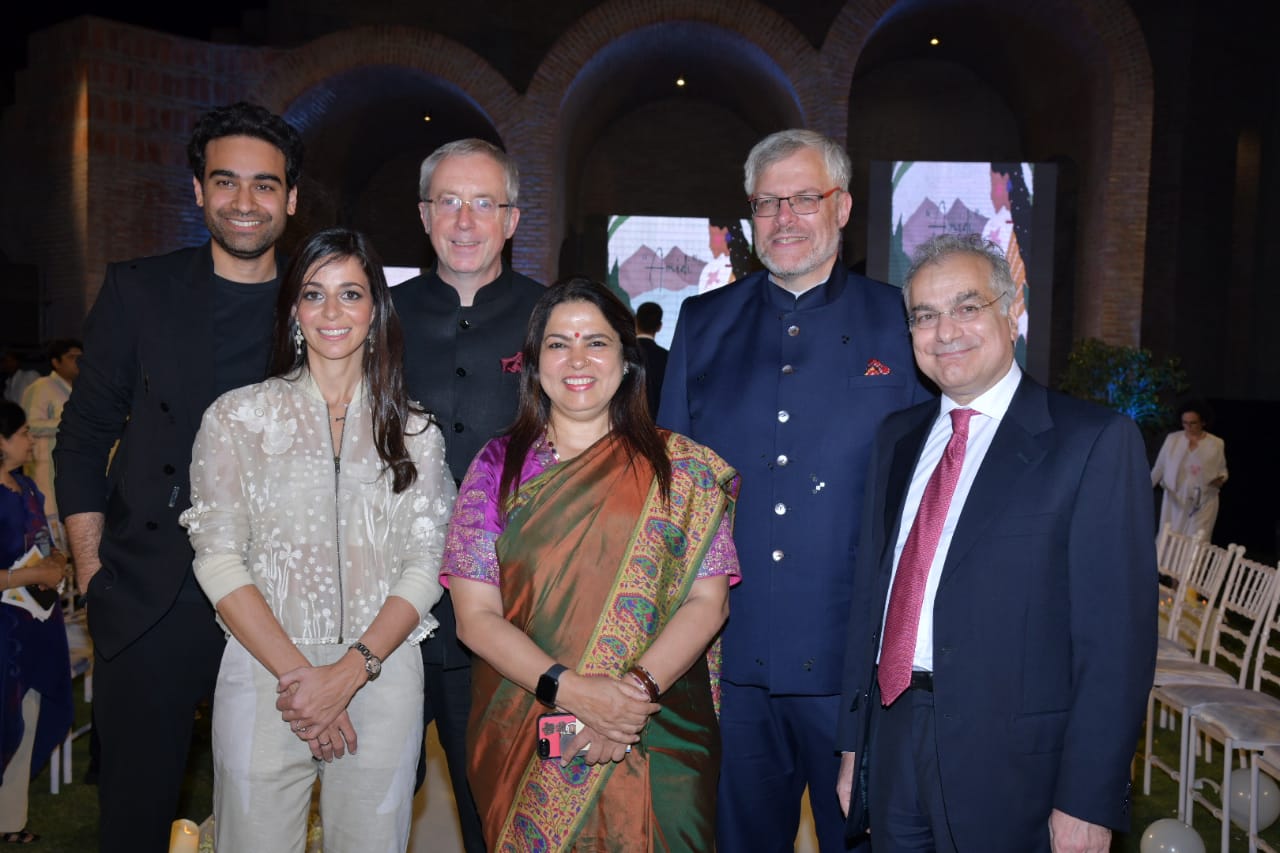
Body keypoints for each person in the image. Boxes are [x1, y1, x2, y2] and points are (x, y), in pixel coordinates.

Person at [836, 233, 1156, 852]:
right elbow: (869, 604)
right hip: (894, 740)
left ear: (1013, 312)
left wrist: (1087, 798)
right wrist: (856, 747)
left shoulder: (1092, 442)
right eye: (924, 316)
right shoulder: (897, 439)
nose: (945, 330)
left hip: (1018, 768)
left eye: (967, 306)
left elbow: (1116, 643)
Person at [659, 128, 930, 852]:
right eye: (767, 202)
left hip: (857, 664)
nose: (784, 217)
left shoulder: (902, 322)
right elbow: (674, 493)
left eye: (804, 197)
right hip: (732, 658)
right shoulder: (704, 323)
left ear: (841, 206)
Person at [54, 101, 304, 853]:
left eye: (265, 185)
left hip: (281, 596)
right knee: (135, 814)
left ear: (291, 199)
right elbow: (84, 436)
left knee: (268, 813)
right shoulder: (139, 290)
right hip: (150, 591)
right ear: (198, 190)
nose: (244, 201)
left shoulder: (318, 302)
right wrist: (95, 572)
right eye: (225, 181)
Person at [180, 227, 455, 851]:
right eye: (314, 294)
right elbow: (218, 558)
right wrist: (307, 681)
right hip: (265, 674)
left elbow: (425, 562)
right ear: (294, 311)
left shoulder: (416, 431)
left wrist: (349, 674)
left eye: (351, 294)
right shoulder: (237, 417)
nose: (332, 312)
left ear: (376, 311)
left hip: (382, 675)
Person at [444, 278, 740, 850]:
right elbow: (474, 617)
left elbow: (710, 602)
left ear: (628, 361)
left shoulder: (684, 469)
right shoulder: (497, 469)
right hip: (529, 724)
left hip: (656, 727)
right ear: (534, 364)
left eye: (596, 342)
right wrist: (572, 692)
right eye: (558, 344)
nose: (577, 359)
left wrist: (627, 699)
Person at [391, 137, 544, 852]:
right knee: (372, 813)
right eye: (448, 201)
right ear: (425, 214)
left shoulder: (556, 321)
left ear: (512, 219)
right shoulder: (374, 319)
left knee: (498, 817)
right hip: (387, 616)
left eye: (484, 202)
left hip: (508, 620)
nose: (464, 219)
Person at [0, 401, 72, 845]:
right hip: (5, 626)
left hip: (37, 621)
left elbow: (44, 541)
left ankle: (10, 818)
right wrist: (34, 575)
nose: (32, 440)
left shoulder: (27, 488)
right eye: (23, 432)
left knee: (30, 711)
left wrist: (57, 560)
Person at [20, 338, 82, 530]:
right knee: (50, 525)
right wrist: (68, 424)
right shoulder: (42, 386)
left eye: (81, 357)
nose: (78, 361)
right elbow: (29, 425)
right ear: (56, 362)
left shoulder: (83, 389)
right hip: (45, 470)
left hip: (74, 469)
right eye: (71, 357)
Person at [1150, 400, 1228, 541]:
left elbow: (1222, 471)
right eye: (1184, 423)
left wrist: (1220, 480)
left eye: (1193, 423)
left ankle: (1193, 563)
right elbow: (1159, 468)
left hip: (1203, 500)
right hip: (1175, 499)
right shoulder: (1173, 439)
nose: (1188, 427)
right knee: (1169, 538)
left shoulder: (1216, 443)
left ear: (1203, 422)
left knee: (1196, 539)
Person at [633, 301, 667, 415]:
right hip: (656, 426)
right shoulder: (668, 358)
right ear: (659, 327)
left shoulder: (621, 353)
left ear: (635, 320)